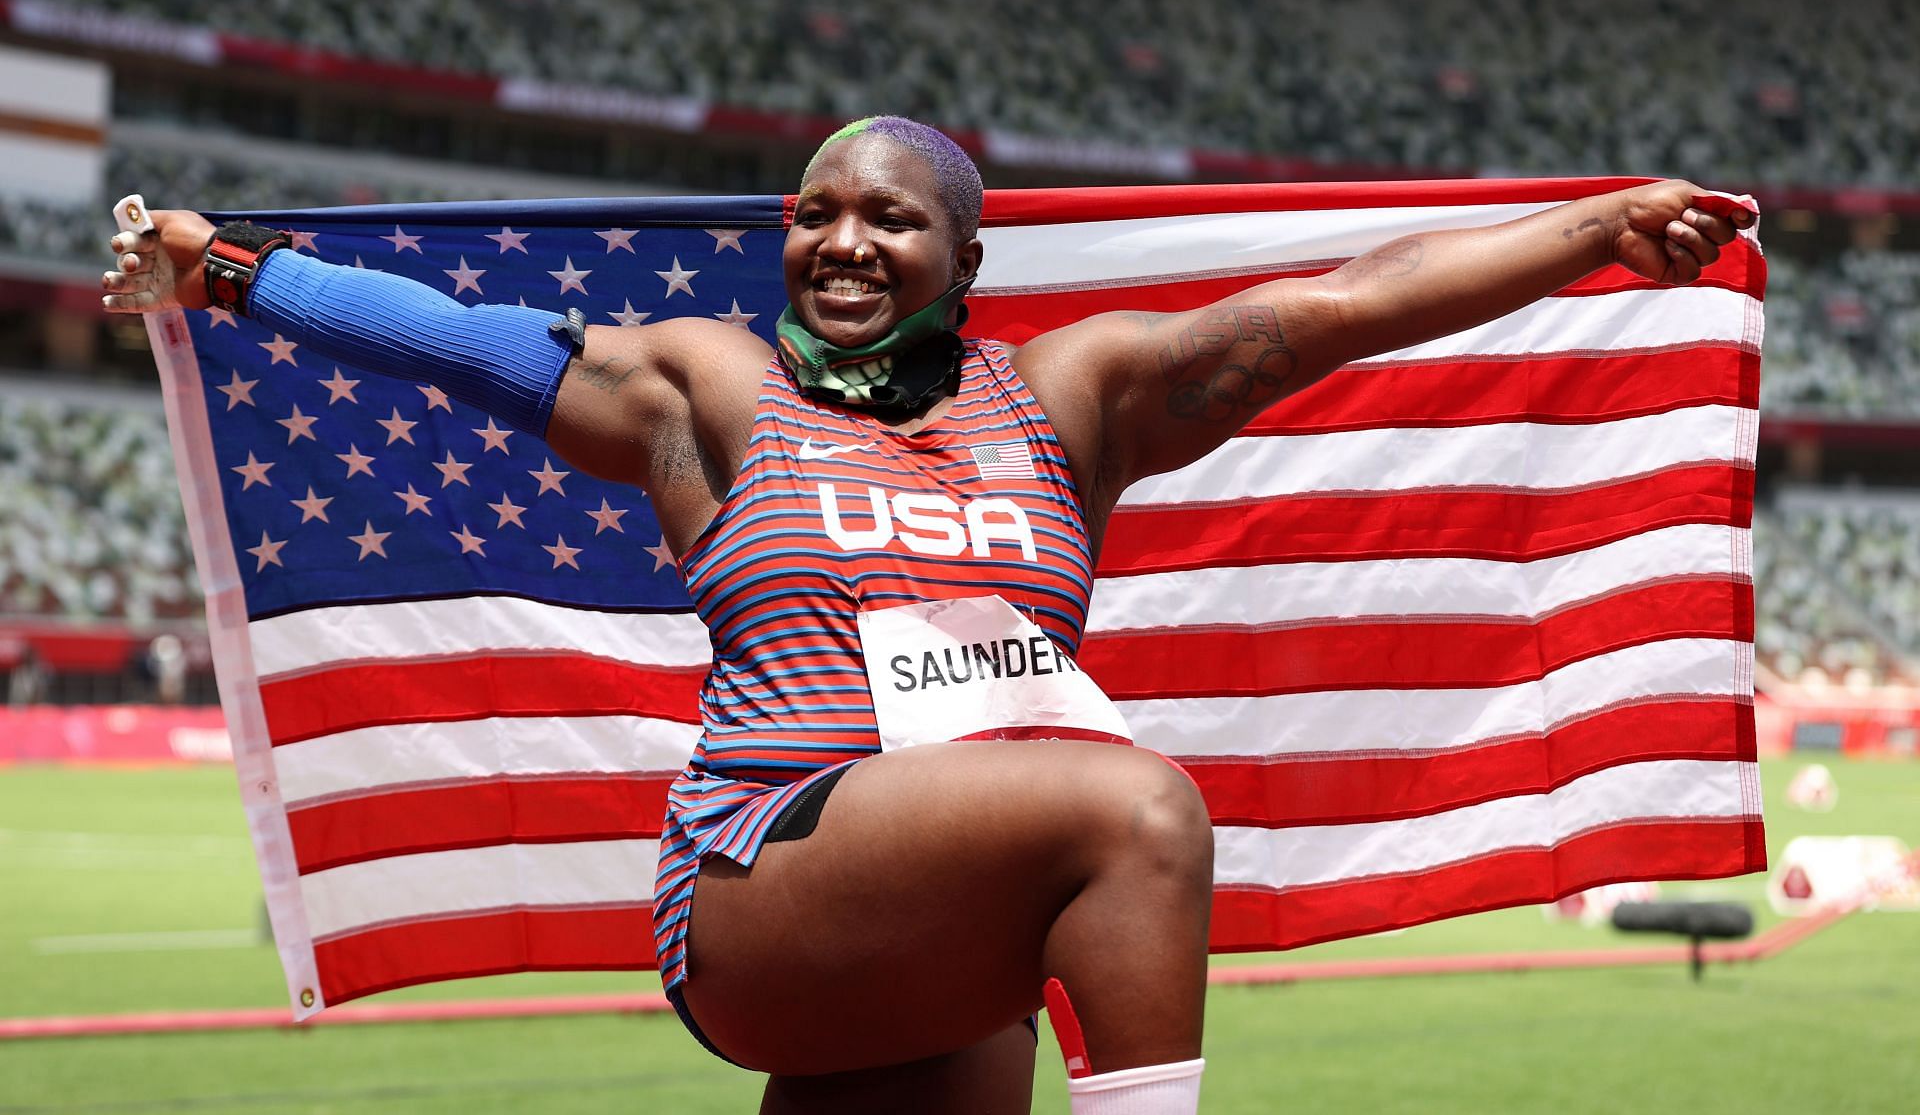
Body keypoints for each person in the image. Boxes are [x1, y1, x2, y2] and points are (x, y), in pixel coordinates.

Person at [105, 116, 1750, 1114]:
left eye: (888, 218)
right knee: (1135, 808)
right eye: (816, 213)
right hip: (770, 872)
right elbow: (462, 346)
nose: (840, 240)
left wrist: (1592, 239)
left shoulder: (1065, 399)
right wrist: (231, 267)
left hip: (952, 924)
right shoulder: (720, 389)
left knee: (1073, 862)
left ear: (962, 259)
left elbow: (1327, 312)